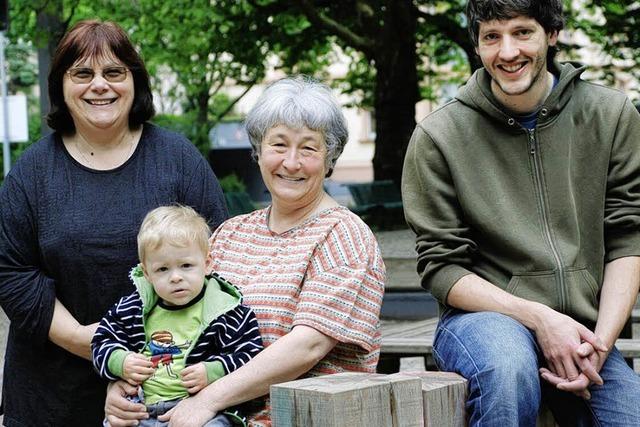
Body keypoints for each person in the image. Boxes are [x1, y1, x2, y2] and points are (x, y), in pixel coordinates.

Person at [402, 0, 640, 425]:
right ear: (477, 46)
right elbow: (442, 268)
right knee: (508, 370)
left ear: (551, 34)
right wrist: (541, 318)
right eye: (491, 37)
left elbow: (628, 238)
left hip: (583, 333)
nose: (507, 52)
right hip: (483, 323)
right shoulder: (439, 136)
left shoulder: (611, 115)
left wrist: (598, 347)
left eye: (522, 32)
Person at [104, 76, 386, 427]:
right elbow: (173, 320)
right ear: (258, 151)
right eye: (279, 145)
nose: (292, 162)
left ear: (330, 159)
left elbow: (307, 347)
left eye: (309, 148)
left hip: (299, 418)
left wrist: (208, 400)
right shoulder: (230, 234)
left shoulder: (343, 237)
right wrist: (129, 387)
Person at [0, 20, 227, 426]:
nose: (99, 85)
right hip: (50, 398)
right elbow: (13, 274)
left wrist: (149, 363)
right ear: (61, 86)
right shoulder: (32, 172)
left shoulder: (179, 160)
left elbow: (221, 259)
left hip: (164, 396)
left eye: (114, 73)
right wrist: (106, 351)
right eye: (82, 73)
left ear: (134, 82)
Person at [92, 205, 263, 427]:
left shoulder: (227, 310)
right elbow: (100, 341)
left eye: (186, 266)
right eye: (163, 269)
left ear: (207, 263)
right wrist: (120, 362)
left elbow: (249, 354)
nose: (175, 277)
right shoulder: (132, 308)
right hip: (141, 408)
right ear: (147, 273)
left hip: (201, 410)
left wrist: (213, 370)